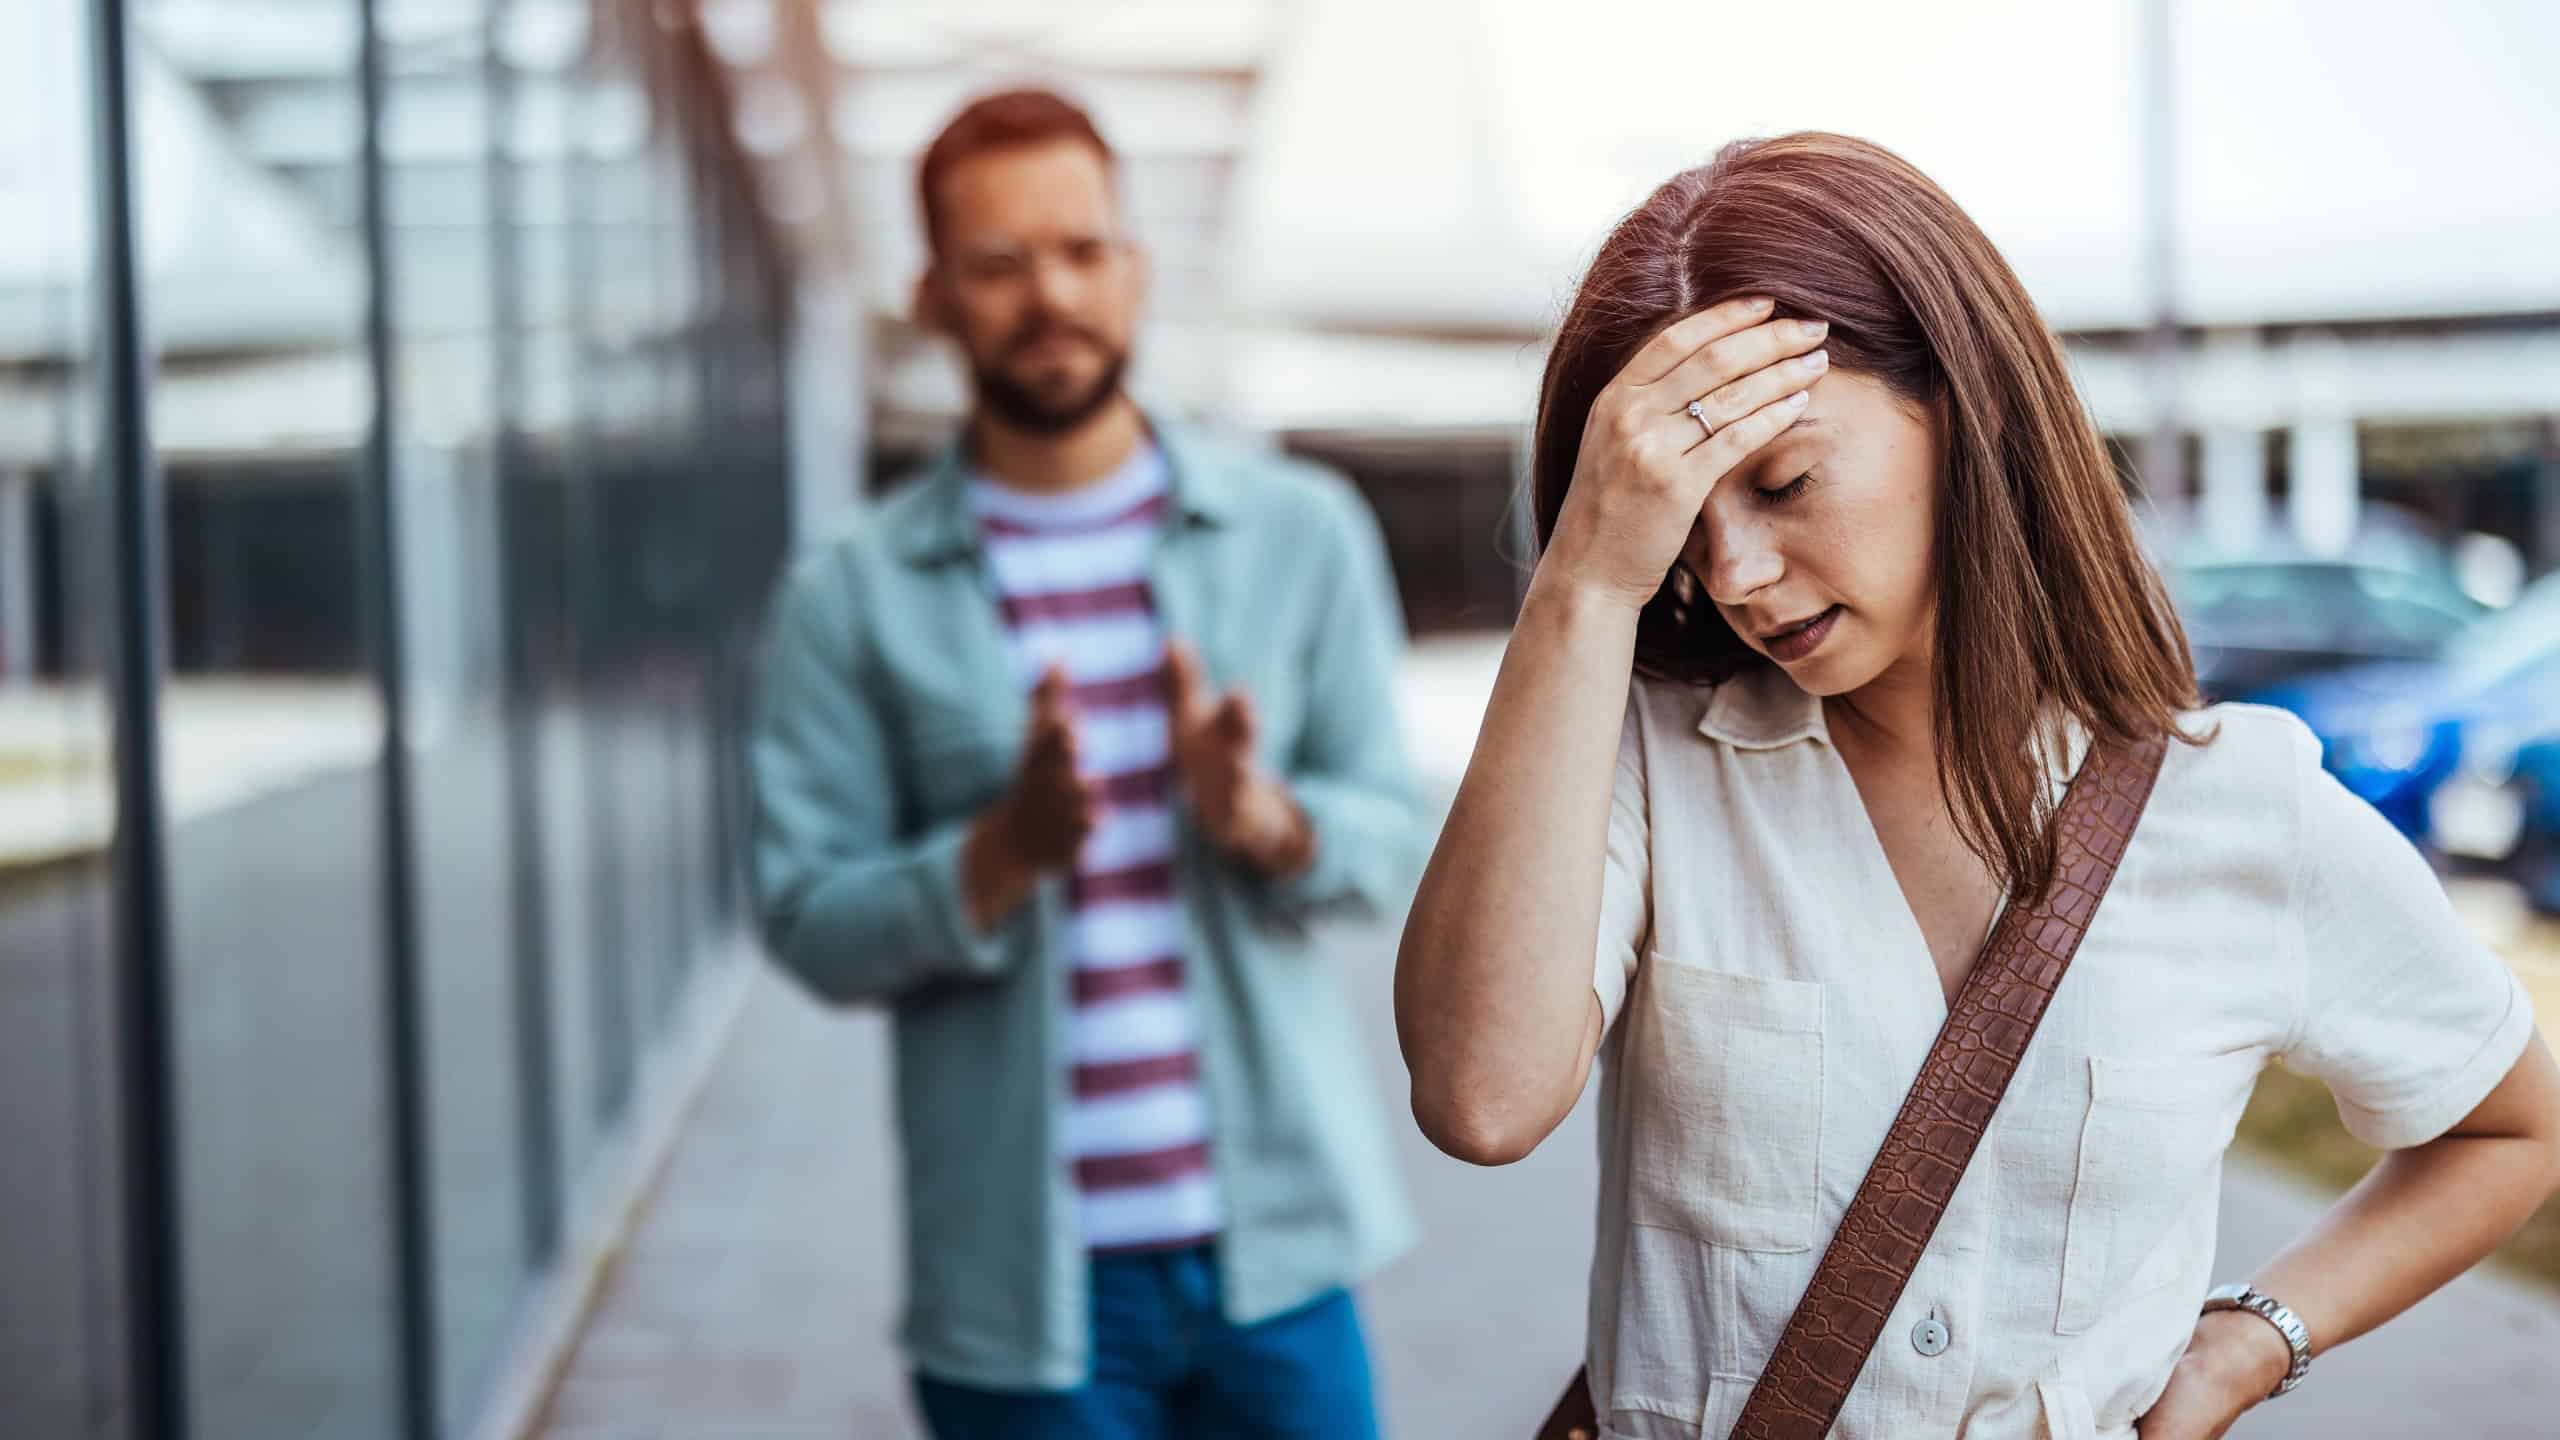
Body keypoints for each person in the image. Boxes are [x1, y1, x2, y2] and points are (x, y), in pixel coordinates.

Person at [1393, 132, 2560, 1440]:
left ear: (1963, 407)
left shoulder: (2237, 808)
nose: (1733, 573)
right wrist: (1588, 579)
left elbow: (2510, 1128)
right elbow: (1481, 1099)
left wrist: (2251, 1342)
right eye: (1680, 519)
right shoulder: (1643, 758)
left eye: (1783, 483)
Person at [746, 89, 1424, 1439]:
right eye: (998, 264)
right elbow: (808, 920)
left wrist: (1262, 817)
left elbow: (1396, 840)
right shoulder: (849, 597)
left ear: (1136, 266)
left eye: (1079, 249)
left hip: (1278, 1259)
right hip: (1018, 1298)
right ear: (933, 296)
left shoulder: (1302, 533)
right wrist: (998, 858)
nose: (1048, 294)